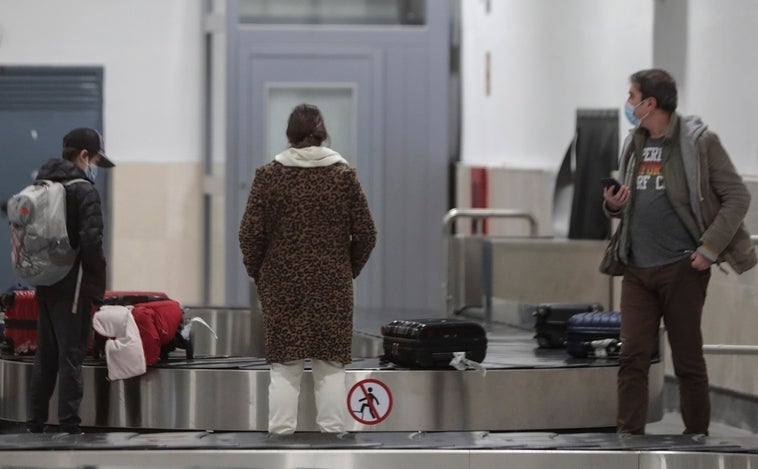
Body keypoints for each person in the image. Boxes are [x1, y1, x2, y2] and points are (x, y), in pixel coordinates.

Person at [603, 69, 756, 435]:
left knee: (687, 360)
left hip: (682, 267)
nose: (628, 103)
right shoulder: (634, 143)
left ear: (649, 103)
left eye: (631, 96)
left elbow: (738, 196)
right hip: (637, 267)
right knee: (632, 356)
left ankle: (697, 438)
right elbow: (627, 203)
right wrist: (613, 205)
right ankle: (628, 439)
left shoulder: (699, 143)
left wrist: (709, 248)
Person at [238, 103, 377, 435]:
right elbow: (367, 234)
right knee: (330, 366)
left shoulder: (269, 175)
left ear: (288, 136)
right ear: (323, 133)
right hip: (332, 284)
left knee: (285, 366)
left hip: (282, 285)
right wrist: (346, 269)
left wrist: (261, 273)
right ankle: (332, 440)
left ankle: (280, 441)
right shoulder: (343, 175)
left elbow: (249, 235)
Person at [26, 128, 115, 434]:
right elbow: (91, 243)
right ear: (83, 156)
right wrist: (98, 284)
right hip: (74, 288)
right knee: (72, 356)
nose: (93, 168)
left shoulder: (44, 185)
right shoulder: (84, 191)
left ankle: (35, 422)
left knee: (45, 357)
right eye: (94, 161)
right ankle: (69, 425)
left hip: (46, 283)